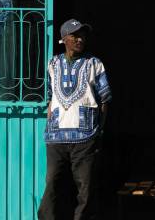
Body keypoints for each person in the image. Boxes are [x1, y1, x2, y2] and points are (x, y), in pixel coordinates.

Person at [38, 19, 111, 220]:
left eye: (83, 35)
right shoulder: (53, 64)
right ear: (64, 39)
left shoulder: (94, 63)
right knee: (53, 183)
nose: (80, 39)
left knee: (85, 187)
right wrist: (50, 122)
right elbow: (50, 97)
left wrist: (100, 131)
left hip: (86, 136)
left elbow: (105, 100)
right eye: (75, 35)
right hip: (56, 138)